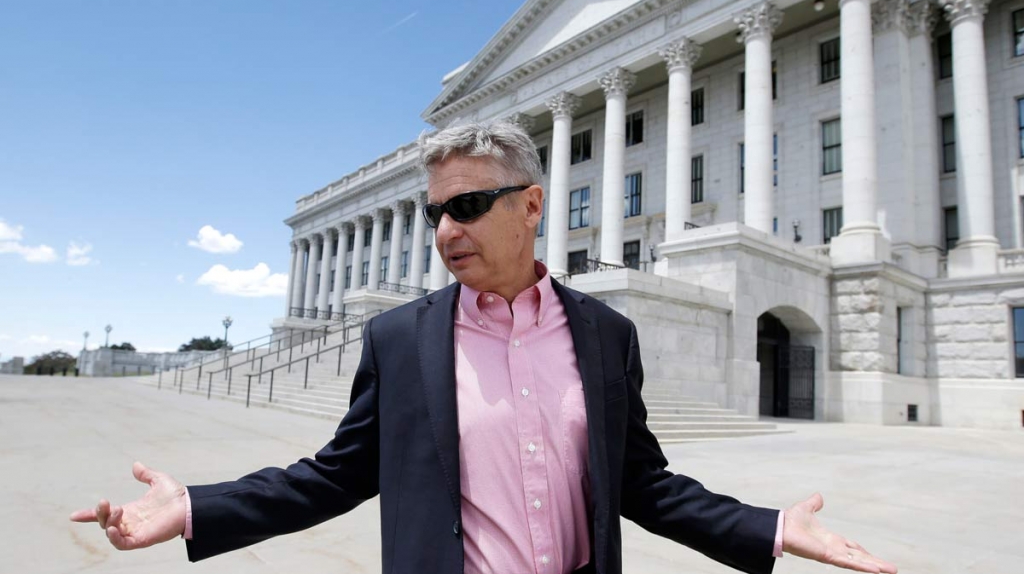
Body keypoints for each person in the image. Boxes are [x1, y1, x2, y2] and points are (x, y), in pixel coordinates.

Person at [72, 122, 897, 574]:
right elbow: (335, 475)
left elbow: (641, 482)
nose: (444, 230)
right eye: (435, 211)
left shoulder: (607, 333)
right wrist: (193, 509)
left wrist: (771, 527)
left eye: (467, 204)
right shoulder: (401, 337)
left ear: (532, 205)